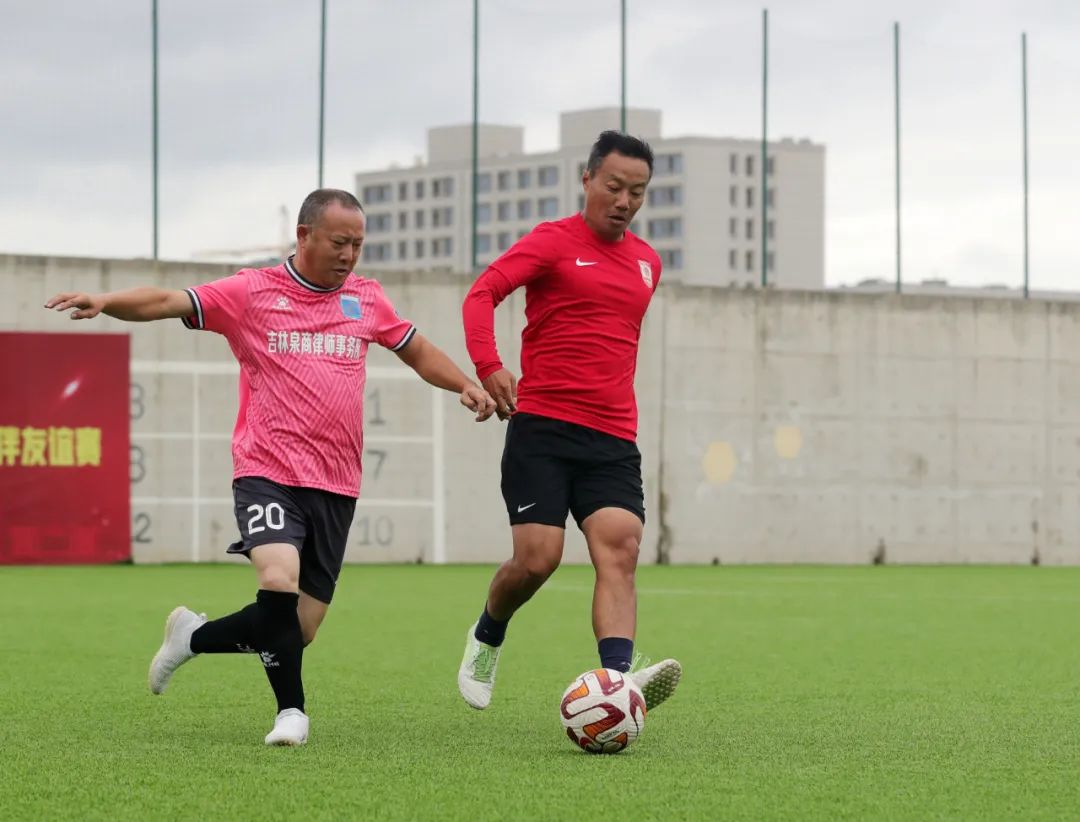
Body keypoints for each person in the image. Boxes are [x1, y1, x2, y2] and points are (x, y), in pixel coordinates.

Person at [45, 189, 496, 746]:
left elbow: (416, 349)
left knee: (296, 629)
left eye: (357, 244)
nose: (349, 254)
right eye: (339, 242)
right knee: (277, 577)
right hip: (267, 471)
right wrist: (105, 300)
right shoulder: (252, 292)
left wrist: (464, 385)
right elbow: (167, 300)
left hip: (336, 482)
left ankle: (192, 638)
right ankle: (292, 714)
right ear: (304, 236)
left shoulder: (366, 298)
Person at [457, 131, 682, 712]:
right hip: (543, 429)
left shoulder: (647, 263)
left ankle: (617, 685)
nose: (625, 201)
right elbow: (482, 294)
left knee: (621, 549)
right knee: (538, 558)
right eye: (614, 186)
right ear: (587, 180)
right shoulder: (552, 242)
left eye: (638, 191)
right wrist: (489, 366)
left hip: (613, 436)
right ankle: (488, 631)